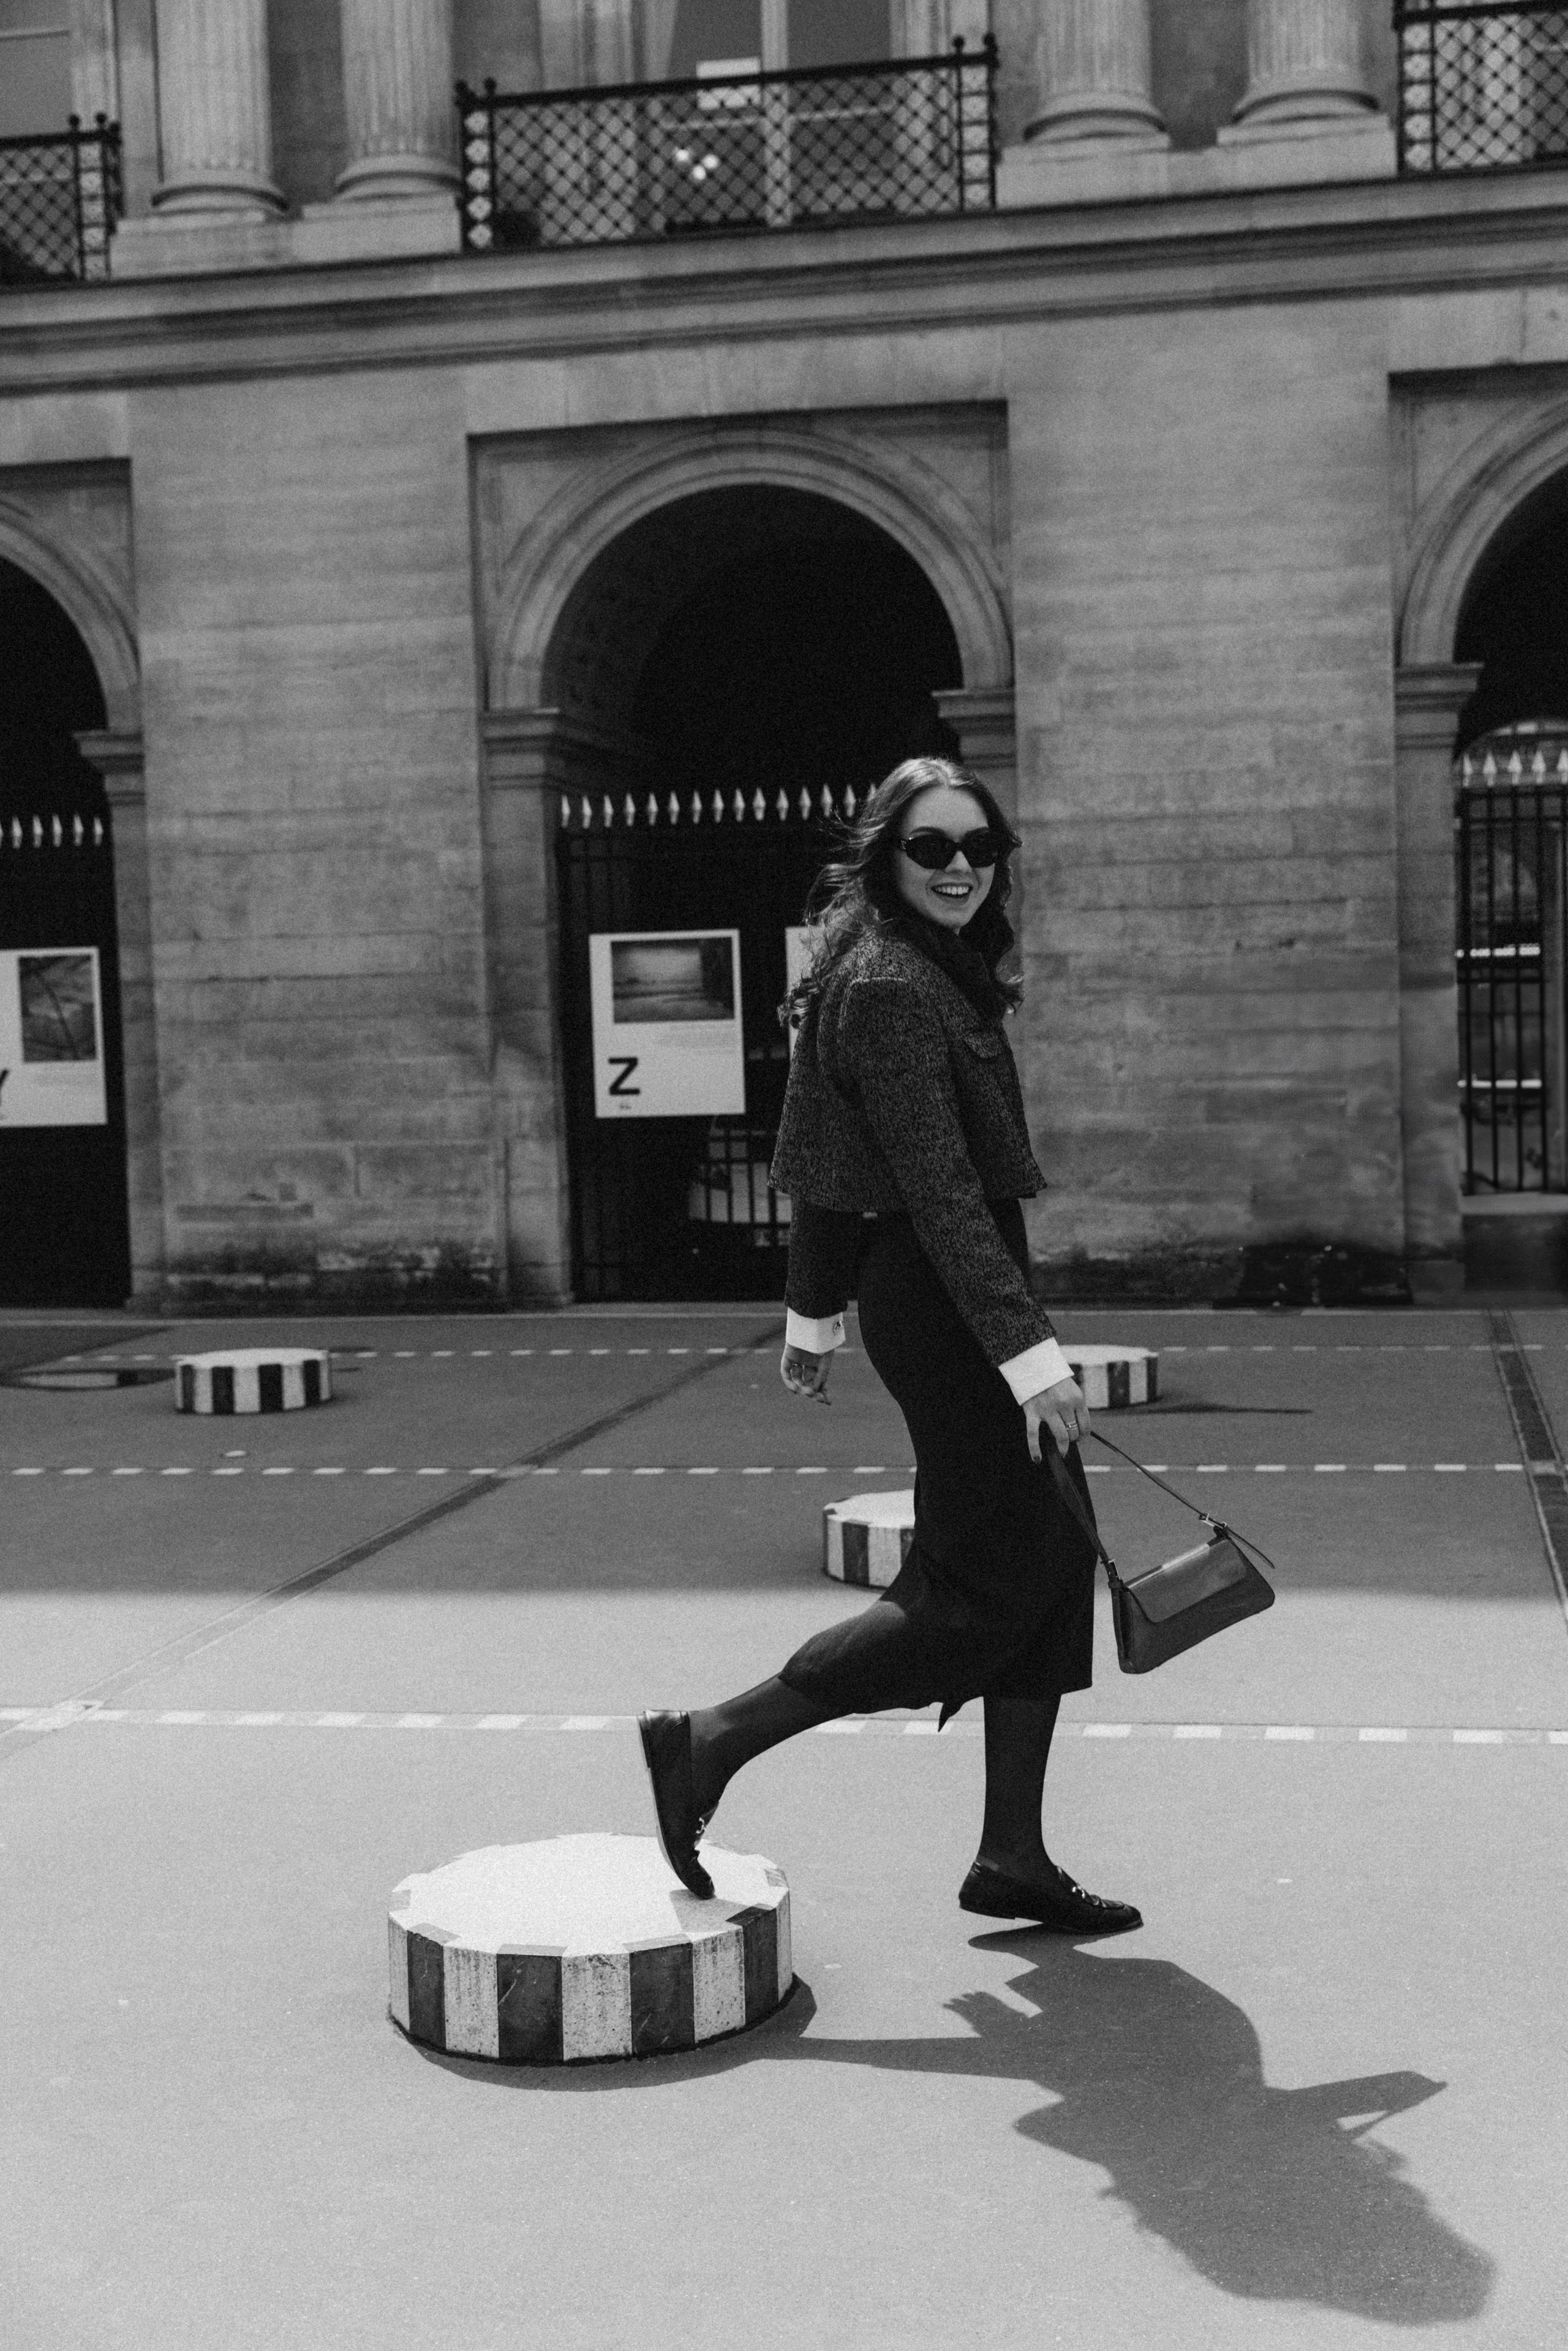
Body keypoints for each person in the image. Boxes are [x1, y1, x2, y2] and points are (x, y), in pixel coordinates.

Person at [638, 755, 1140, 1934]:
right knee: (975, 1588)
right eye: (932, 847)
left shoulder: (905, 972)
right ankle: (712, 1738)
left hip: (951, 1291)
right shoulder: (893, 989)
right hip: (953, 1300)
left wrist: (813, 1313)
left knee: (1056, 1554)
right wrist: (1032, 1359)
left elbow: (814, 1151)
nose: (961, 866)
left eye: (980, 846)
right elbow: (938, 1189)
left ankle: (1012, 1853)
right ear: (886, 857)